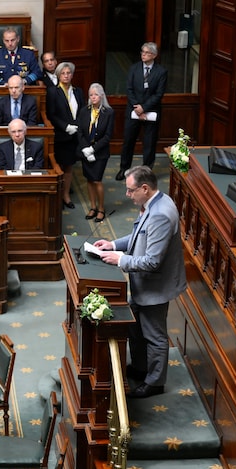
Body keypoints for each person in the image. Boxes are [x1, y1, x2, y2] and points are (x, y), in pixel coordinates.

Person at [93, 166, 186, 398]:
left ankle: (155, 382)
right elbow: (138, 236)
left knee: (154, 335)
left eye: (130, 190)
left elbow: (153, 261)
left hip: (155, 287)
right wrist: (113, 245)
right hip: (142, 285)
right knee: (135, 327)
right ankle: (140, 368)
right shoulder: (152, 204)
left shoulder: (161, 214)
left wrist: (120, 259)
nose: (127, 195)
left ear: (145, 188)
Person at [116, 42, 167, 179]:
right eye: (142, 52)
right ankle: (124, 169)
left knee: (149, 144)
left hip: (151, 112)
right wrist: (137, 107)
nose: (143, 55)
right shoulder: (134, 68)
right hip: (133, 111)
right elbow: (129, 89)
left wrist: (144, 108)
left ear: (154, 55)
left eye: (147, 53)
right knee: (128, 142)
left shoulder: (161, 72)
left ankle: (146, 172)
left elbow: (159, 94)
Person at [46, 61, 84, 209]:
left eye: (68, 73)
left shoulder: (78, 91)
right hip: (60, 135)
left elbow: (82, 111)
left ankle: (66, 195)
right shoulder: (53, 92)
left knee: (69, 166)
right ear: (58, 75)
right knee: (59, 167)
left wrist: (78, 126)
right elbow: (52, 114)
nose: (66, 76)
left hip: (74, 135)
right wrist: (65, 126)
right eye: (63, 73)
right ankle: (57, 196)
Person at [77, 83, 115, 223]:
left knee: (97, 179)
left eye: (96, 95)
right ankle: (92, 207)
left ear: (101, 96)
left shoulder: (109, 112)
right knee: (89, 179)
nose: (93, 97)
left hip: (100, 153)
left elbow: (108, 136)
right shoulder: (84, 111)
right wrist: (86, 149)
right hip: (85, 151)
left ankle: (101, 209)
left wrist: (93, 149)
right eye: (91, 95)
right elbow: (80, 132)